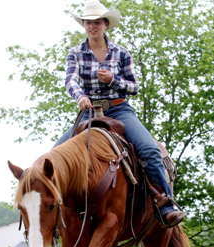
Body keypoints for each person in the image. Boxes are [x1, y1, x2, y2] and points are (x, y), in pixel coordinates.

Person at [56, 0, 185, 227]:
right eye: (88, 22)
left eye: (96, 22)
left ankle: (166, 206)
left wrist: (113, 80)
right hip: (89, 112)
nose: (92, 26)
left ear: (106, 24)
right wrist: (80, 97)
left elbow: (134, 86)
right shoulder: (75, 53)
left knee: (149, 149)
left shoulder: (121, 53)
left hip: (118, 109)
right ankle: (56, 219)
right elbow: (70, 81)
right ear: (83, 25)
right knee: (54, 155)